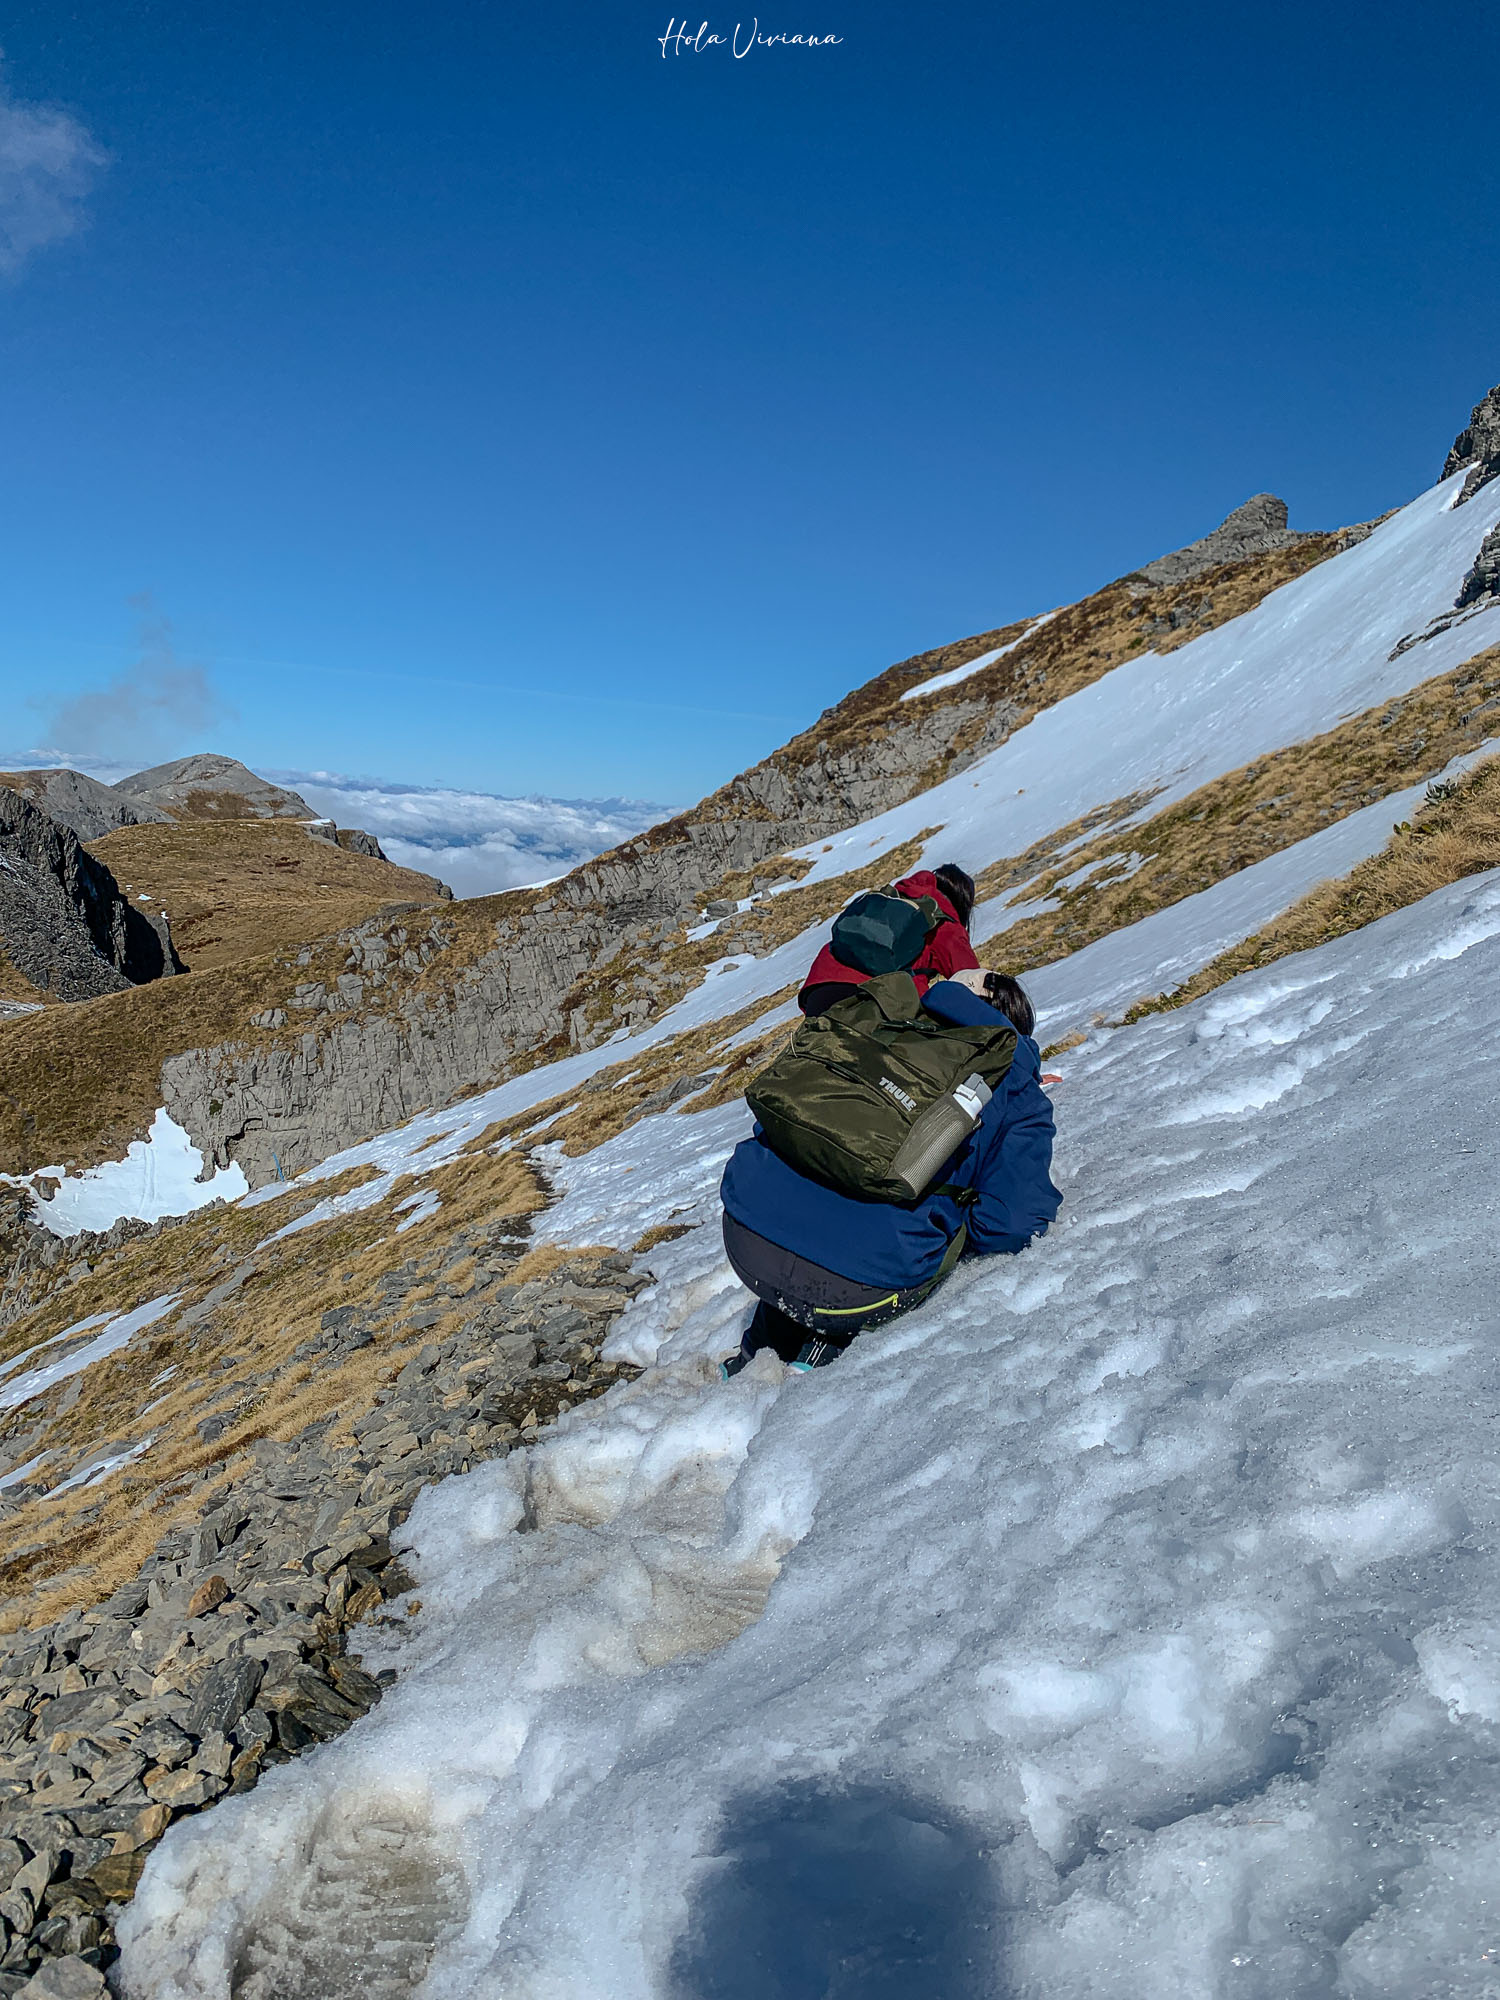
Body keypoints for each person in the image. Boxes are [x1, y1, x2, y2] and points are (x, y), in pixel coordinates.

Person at [719, 969, 1060, 1373]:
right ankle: (819, 1358)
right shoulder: (1014, 1078)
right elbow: (1011, 1223)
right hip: (858, 1285)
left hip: (745, 1232)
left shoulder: (874, 1021)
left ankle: (756, 1348)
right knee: (896, 1236)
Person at [798, 862, 981, 1017]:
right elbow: (976, 985)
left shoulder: (890, 900)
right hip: (871, 998)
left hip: (819, 988)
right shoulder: (944, 924)